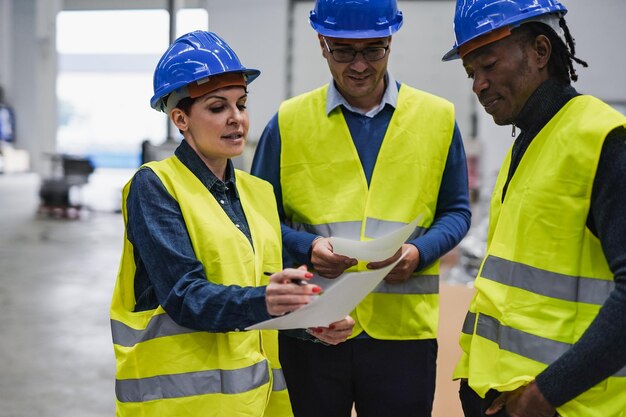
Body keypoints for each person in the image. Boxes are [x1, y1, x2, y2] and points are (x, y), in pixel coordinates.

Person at [109, 30, 353, 417]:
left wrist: (311, 322)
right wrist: (267, 301)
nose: (236, 118)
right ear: (180, 118)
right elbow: (184, 296)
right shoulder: (156, 186)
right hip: (182, 406)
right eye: (217, 107)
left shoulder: (258, 193)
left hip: (257, 403)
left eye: (241, 104)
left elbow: (262, 294)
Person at [251, 0, 472, 415]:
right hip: (312, 326)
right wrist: (306, 247)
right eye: (343, 51)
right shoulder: (287, 122)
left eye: (373, 50)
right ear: (322, 43)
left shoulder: (437, 119)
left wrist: (419, 252)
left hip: (403, 335)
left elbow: (457, 211)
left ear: (390, 42)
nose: (359, 65)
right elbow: (259, 220)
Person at [441, 1, 626, 416]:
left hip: (564, 405)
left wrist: (543, 395)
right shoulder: (529, 140)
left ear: (541, 52)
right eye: (471, 74)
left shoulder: (602, 141)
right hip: (501, 397)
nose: (478, 85)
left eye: (488, 66)